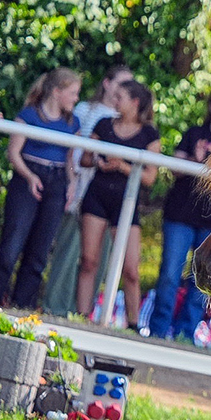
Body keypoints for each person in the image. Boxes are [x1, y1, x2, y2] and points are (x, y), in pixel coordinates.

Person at [148, 84, 211, 341]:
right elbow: (174, 168)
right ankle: (157, 331)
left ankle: (186, 334)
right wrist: (196, 160)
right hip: (181, 214)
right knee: (169, 274)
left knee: (201, 279)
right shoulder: (194, 133)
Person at [0, 68, 81, 308]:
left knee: (39, 252)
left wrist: (72, 185)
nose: (76, 99)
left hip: (56, 182)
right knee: (11, 246)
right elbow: (13, 152)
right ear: (57, 92)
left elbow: (70, 159)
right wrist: (29, 176)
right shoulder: (29, 115)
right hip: (27, 178)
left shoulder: (73, 122)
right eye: (72, 93)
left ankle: (22, 306)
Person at [43, 65, 133, 316]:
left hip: (106, 197)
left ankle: (81, 311)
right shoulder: (83, 109)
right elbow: (76, 154)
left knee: (95, 260)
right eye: (120, 83)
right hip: (80, 190)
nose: (123, 91)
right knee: (68, 251)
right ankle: (55, 307)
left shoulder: (127, 121)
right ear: (107, 83)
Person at [76, 80, 160, 330]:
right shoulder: (104, 125)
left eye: (120, 97)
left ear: (135, 102)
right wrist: (99, 162)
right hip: (98, 197)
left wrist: (121, 164)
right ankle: (82, 317)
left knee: (131, 269)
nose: (115, 101)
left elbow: (149, 177)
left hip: (127, 201)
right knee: (89, 261)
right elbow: (86, 159)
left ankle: (133, 325)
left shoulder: (149, 134)